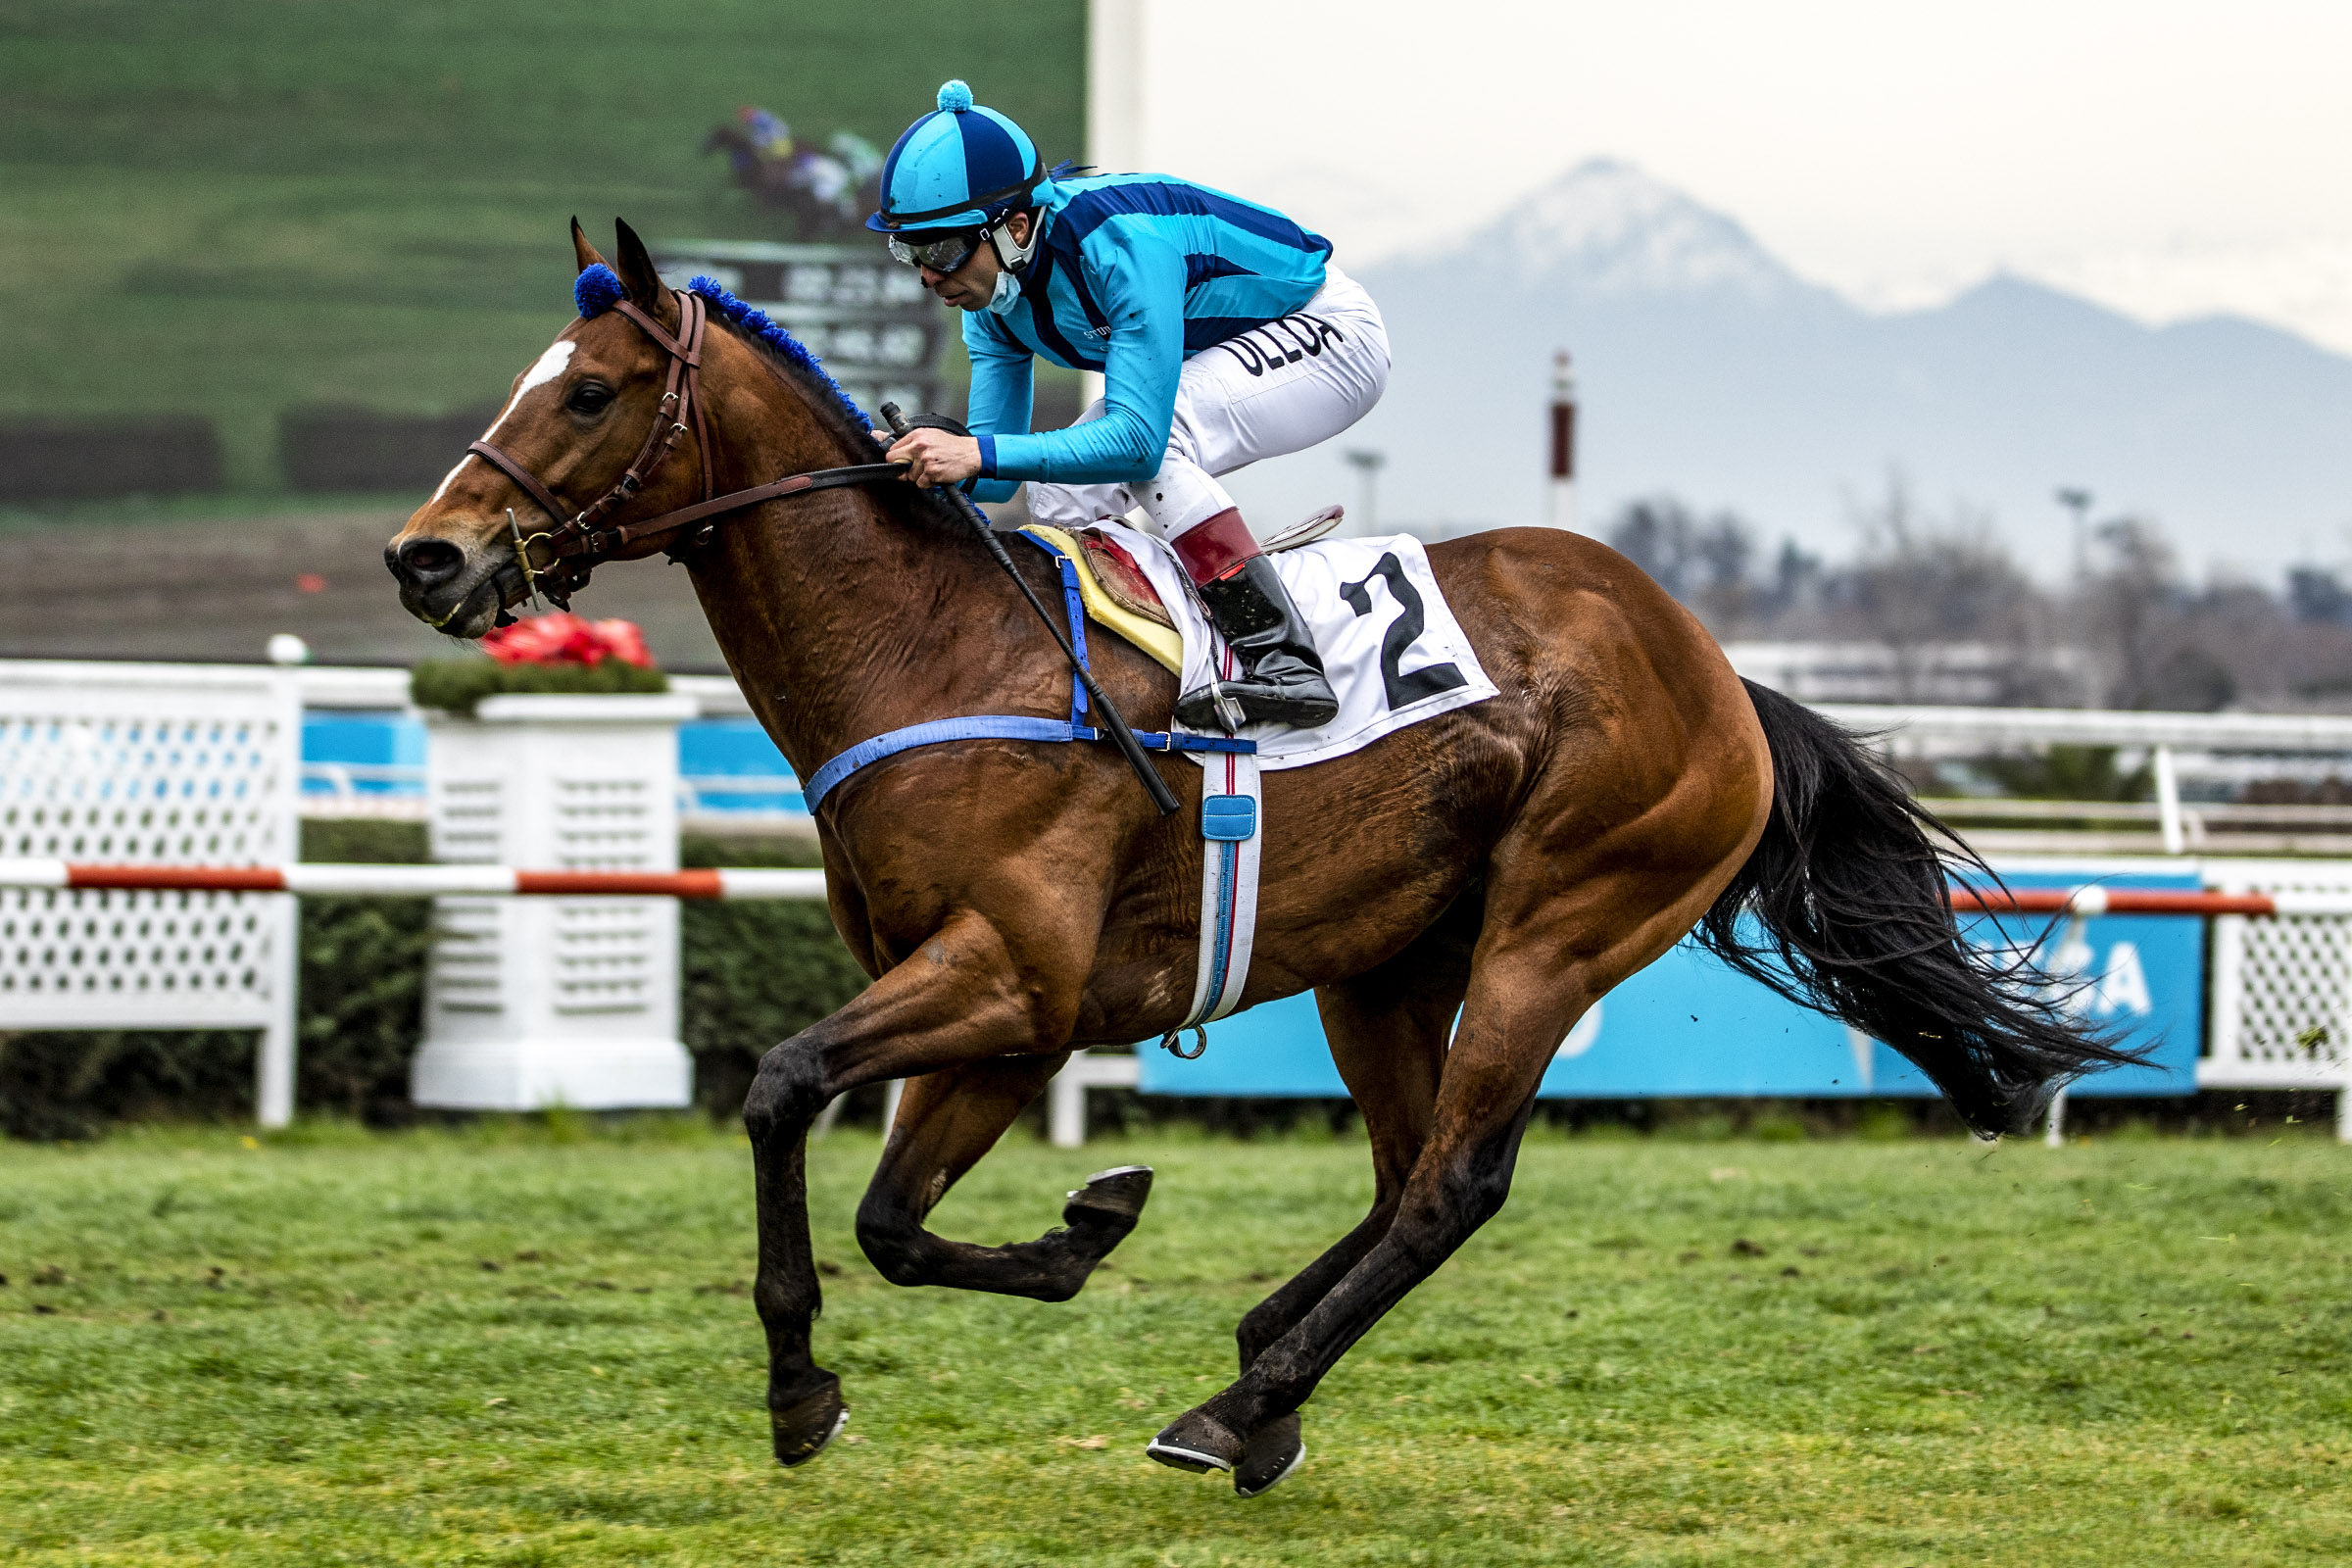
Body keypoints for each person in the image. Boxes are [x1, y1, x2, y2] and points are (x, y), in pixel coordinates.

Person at [869, 80, 1392, 731]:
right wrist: (920, 455)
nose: (927, 275)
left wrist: (973, 452)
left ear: (1016, 227)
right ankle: (1135, 665)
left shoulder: (1120, 244)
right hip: (1236, 348)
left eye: (942, 250)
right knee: (1058, 497)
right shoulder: (989, 298)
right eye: (909, 251)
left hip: (1330, 333)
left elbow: (1138, 444)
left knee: (1153, 446)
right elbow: (995, 478)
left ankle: (1285, 661)